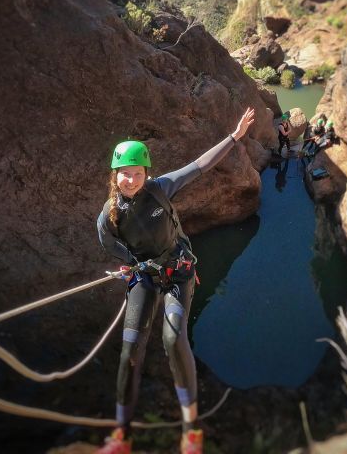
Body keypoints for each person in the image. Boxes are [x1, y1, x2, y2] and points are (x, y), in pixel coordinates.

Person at [96, 107, 255, 454]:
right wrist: (130, 264)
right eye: (124, 174)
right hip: (144, 276)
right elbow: (110, 245)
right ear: (115, 175)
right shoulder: (108, 218)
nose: (131, 180)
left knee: (172, 338)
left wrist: (235, 136)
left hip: (177, 272)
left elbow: (200, 165)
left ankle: (191, 430)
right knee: (129, 353)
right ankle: (121, 435)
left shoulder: (160, 189)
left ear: (145, 172)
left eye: (136, 173)